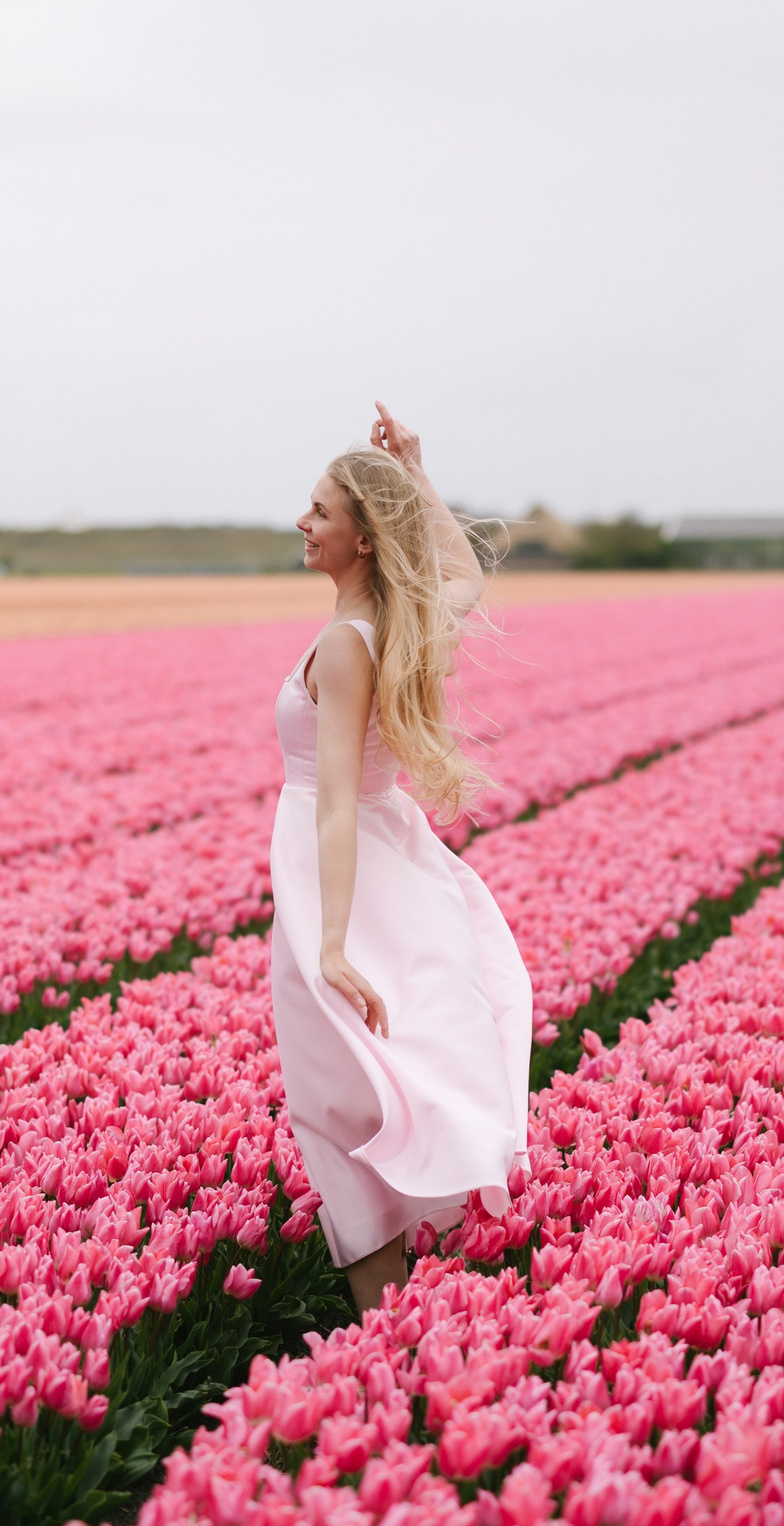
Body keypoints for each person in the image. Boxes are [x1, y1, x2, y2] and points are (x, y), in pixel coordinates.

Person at [269, 403, 532, 1317]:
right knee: (386, 1072)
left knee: (335, 1099)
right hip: (394, 860)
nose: (303, 523)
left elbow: (334, 800)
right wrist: (418, 469)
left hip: (337, 875)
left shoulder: (348, 643)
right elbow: (460, 568)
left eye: (320, 511)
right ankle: (438, 1309)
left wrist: (329, 944)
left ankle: (387, 1327)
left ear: (364, 539)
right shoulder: (400, 623)